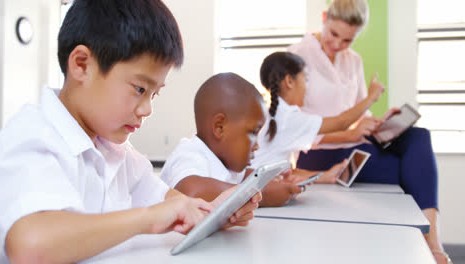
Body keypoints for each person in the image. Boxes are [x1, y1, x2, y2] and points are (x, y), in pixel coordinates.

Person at [0, 1, 260, 263]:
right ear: (82, 64)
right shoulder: (34, 136)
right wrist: (147, 219)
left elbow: (177, 205)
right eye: (139, 89)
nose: (147, 109)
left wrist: (215, 213)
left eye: (155, 94)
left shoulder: (119, 153)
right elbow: (31, 246)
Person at [288, 0, 450, 263]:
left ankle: (432, 241)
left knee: (419, 136)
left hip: (354, 144)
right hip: (319, 154)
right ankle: (429, 249)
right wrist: (350, 134)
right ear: (324, 17)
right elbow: (295, 129)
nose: (338, 44)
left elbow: (358, 116)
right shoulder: (296, 57)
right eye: (334, 34)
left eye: (347, 39)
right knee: (406, 169)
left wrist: (379, 122)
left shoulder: (354, 61)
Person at [160, 72, 302, 207]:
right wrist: (261, 193)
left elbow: (244, 177)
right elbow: (190, 192)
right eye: (253, 132)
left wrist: (271, 179)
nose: (257, 146)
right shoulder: (189, 154)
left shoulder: (224, 162)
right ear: (220, 127)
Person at [250, 51, 383, 184]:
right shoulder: (287, 117)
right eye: (305, 79)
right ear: (289, 81)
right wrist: (372, 97)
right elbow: (341, 122)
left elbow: (287, 172)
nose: (307, 87)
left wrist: (326, 176)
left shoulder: (277, 115)